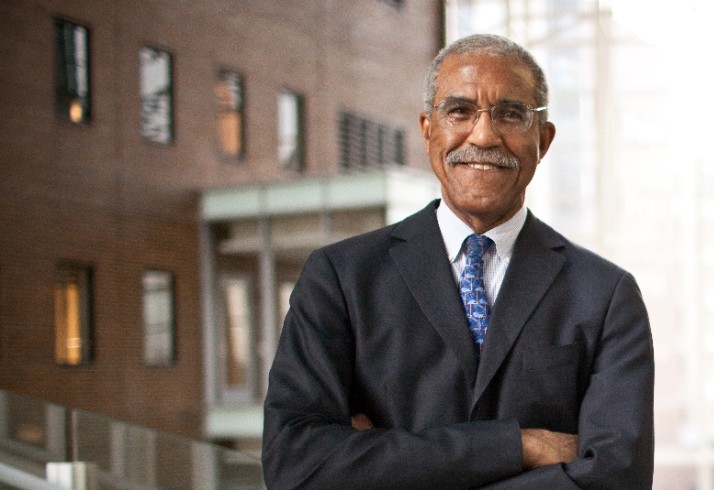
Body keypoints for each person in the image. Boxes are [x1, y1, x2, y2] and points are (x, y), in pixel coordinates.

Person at [261, 34, 655, 489]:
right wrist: (517, 447)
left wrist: (386, 461)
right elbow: (297, 465)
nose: (484, 135)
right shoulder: (341, 278)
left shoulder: (605, 296)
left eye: (511, 114)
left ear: (543, 140)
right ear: (429, 129)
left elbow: (614, 479)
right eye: (459, 111)